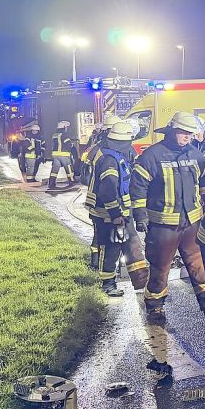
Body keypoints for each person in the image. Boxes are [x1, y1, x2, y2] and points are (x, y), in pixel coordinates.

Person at [130, 112, 205, 323]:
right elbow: (138, 187)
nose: (187, 137)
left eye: (190, 133)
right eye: (183, 132)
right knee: (160, 267)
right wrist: (140, 215)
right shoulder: (152, 156)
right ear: (171, 131)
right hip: (164, 226)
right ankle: (155, 307)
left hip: (192, 223)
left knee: (198, 265)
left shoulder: (196, 155)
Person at [85, 121, 149, 296]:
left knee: (132, 244)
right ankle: (108, 284)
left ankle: (141, 281)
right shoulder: (110, 160)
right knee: (112, 248)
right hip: (109, 213)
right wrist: (115, 215)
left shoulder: (111, 154)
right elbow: (108, 190)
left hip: (119, 212)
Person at [80, 113, 122, 185]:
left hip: (104, 180)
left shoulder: (102, 142)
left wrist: (87, 162)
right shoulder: (126, 144)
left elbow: (92, 155)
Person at [47, 121, 78, 190]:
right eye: (66, 127)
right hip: (63, 154)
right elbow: (68, 144)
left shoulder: (55, 134)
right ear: (64, 127)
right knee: (69, 168)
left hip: (55, 155)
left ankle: (51, 183)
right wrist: (72, 145)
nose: (67, 128)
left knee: (54, 170)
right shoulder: (64, 135)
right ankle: (72, 181)